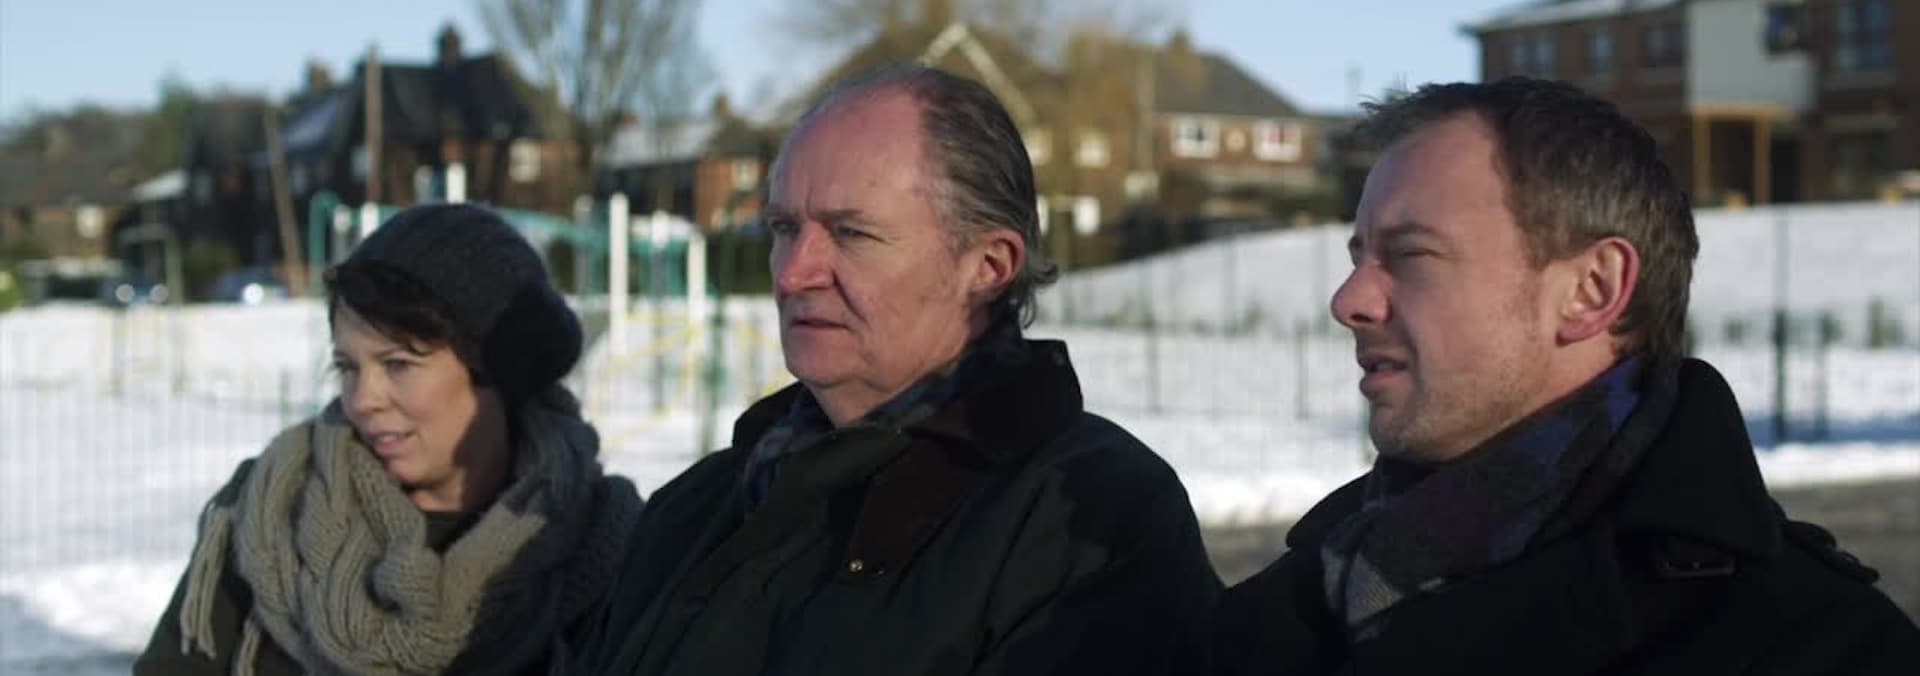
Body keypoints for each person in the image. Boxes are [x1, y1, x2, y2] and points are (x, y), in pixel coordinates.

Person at [1211, 76, 1920, 674]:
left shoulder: (1814, 646)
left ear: (1590, 291)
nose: (1349, 301)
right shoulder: (1315, 585)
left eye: (1412, 255)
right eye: (1359, 255)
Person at [574, 64, 1219, 676]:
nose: (793, 273)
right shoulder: (699, 505)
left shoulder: (1091, 520)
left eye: (850, 234)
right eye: (783, 228)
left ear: (989, 266)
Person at [134, 204, 643, 675]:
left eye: (398, 364)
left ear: (501, 371)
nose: (362, 401)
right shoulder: (271, 511)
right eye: (347, 367)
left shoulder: (609, 551)